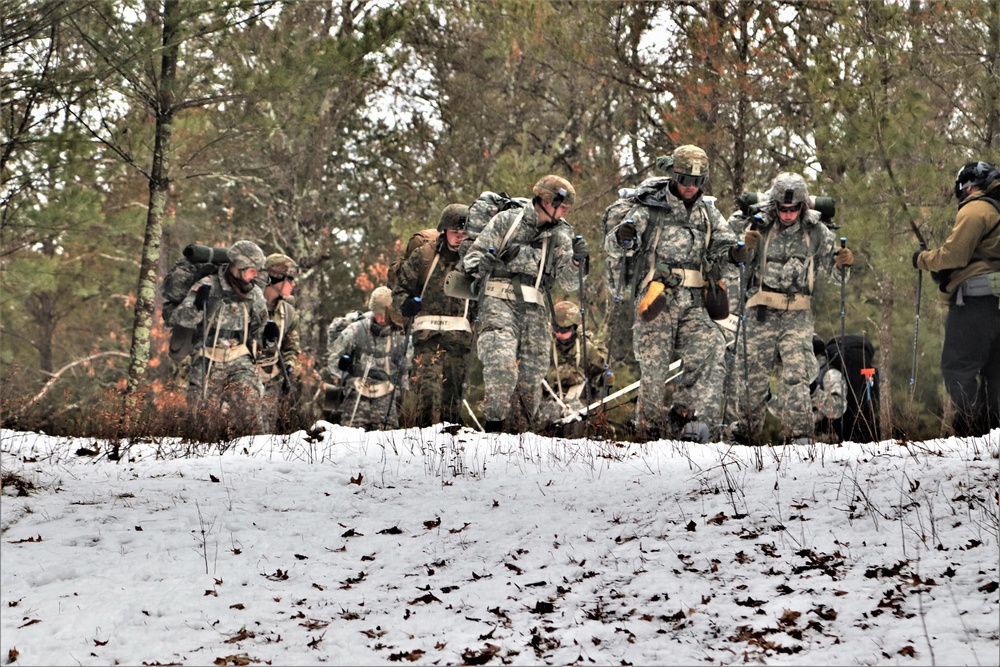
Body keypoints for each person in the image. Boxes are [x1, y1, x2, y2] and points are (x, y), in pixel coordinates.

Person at [603, 145, 743, 442]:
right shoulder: (650, 208)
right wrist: (623, 238)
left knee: (711, 347)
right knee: (654, 367)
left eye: (697, 181)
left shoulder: (708, 212)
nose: (690, 187)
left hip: (694, 300)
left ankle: (687, 419)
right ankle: (648, 429)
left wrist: (736, 253)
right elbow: (619, 242)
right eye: (684, 179)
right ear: (673, 176)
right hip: (658, 297)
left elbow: (723, 246)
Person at [461, 174, 588, 433]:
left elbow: (568, 282)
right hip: (499, 300)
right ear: (545, 199)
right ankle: (494, 429)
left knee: (533, 373)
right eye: (562, 204)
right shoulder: (507, 221)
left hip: (535, 306)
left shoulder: (561, 234)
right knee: (502, 365)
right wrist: (483, 264)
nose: (565, 211)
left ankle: (520, 438)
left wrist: (577, 263)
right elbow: (472, 258)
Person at [733, 172, 853, 445]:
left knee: (798, 375)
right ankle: (745, 435)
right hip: (760, 313)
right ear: (775, 205)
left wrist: (842, 265)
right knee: (752, 377)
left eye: (793, 209)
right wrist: (744, 247)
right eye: (783, 209)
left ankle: (799, 436)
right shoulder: (759, 226)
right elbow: (734, 265)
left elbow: (836, 276)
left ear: (802, 207)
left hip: (797, 315)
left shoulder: (815, 231)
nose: (787, 215)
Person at [913, 160, 1000, 437]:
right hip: (995, 303)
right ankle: (994, 433)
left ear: (967, 186)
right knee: (996, 373)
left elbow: (955, 255)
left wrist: (922, 259)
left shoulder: (977, 209)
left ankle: (974, 430)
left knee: (957, 367)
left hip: (976, 302)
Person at [169, 240, 270, 434]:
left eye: (257, 269)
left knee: (252, 416)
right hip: (207, 357)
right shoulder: (208, 284)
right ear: (237, 267)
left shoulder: (254, 293)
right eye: (251, 269)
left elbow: (260, 329)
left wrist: (268, 336)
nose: (255, 274)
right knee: (201, 423)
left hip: (239, 358)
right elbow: (180, 318)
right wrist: (197, 306)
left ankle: (255, 460)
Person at [392, 204, 474, 427]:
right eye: (455, 233)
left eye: (464, 234)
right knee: (427, 395)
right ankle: (423, 448)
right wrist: (406, 304)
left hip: (459, 342)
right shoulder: (424, 256)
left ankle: (452, 453)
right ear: (444, 230)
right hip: (427, 339)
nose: (459, 238)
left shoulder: (475, 261)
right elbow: (400, 290)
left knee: (452, 401)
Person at [327, 286, 409, 430]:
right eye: (378, 313)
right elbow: (333, 358)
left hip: (387, 396)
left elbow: (408, 369)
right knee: (350, 439)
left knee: (386, 443)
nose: (382, 318)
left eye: (386, 314)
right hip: (357, 393)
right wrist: (342, 368)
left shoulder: (400, 335)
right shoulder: (356, 330)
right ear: (372, 310)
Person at [536, 300, 610, 438]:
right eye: (556, 328)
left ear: (575, 327)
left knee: (574, 417)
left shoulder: (586, 344)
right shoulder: (546, 343)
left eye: (564, 330)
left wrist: (587, 348)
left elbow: (602, 365)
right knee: (546, 415)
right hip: (550, 397)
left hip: (578, 398)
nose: (559, 334)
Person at [256, 253, 303, 431]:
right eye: (290, 279)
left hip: (271, 381)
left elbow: (292, 347)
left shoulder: (289, 313)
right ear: (275, 278)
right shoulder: (249, 304)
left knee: (266, 434)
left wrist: (290, 365)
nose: (293, 284)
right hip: (243, 378)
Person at [810, 334, 847, 441]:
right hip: (799, 444)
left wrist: (815, 392)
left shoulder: (830, 374)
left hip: (826, 442)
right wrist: (770, 399)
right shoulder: (803, 376)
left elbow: (838, 408)